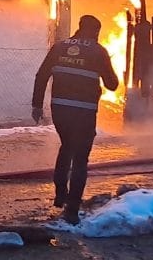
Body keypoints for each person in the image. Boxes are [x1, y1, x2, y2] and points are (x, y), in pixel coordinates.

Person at [31, 15, 119, 225]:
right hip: (85, 112)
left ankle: (61, 194)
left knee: (66, 146)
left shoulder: (59, 47)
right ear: (96, 31)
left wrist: (36, 105)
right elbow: (113, 85)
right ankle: (72, 210)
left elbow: (41, 75)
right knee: (80, 158)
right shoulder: (98, 51)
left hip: (60, 110)